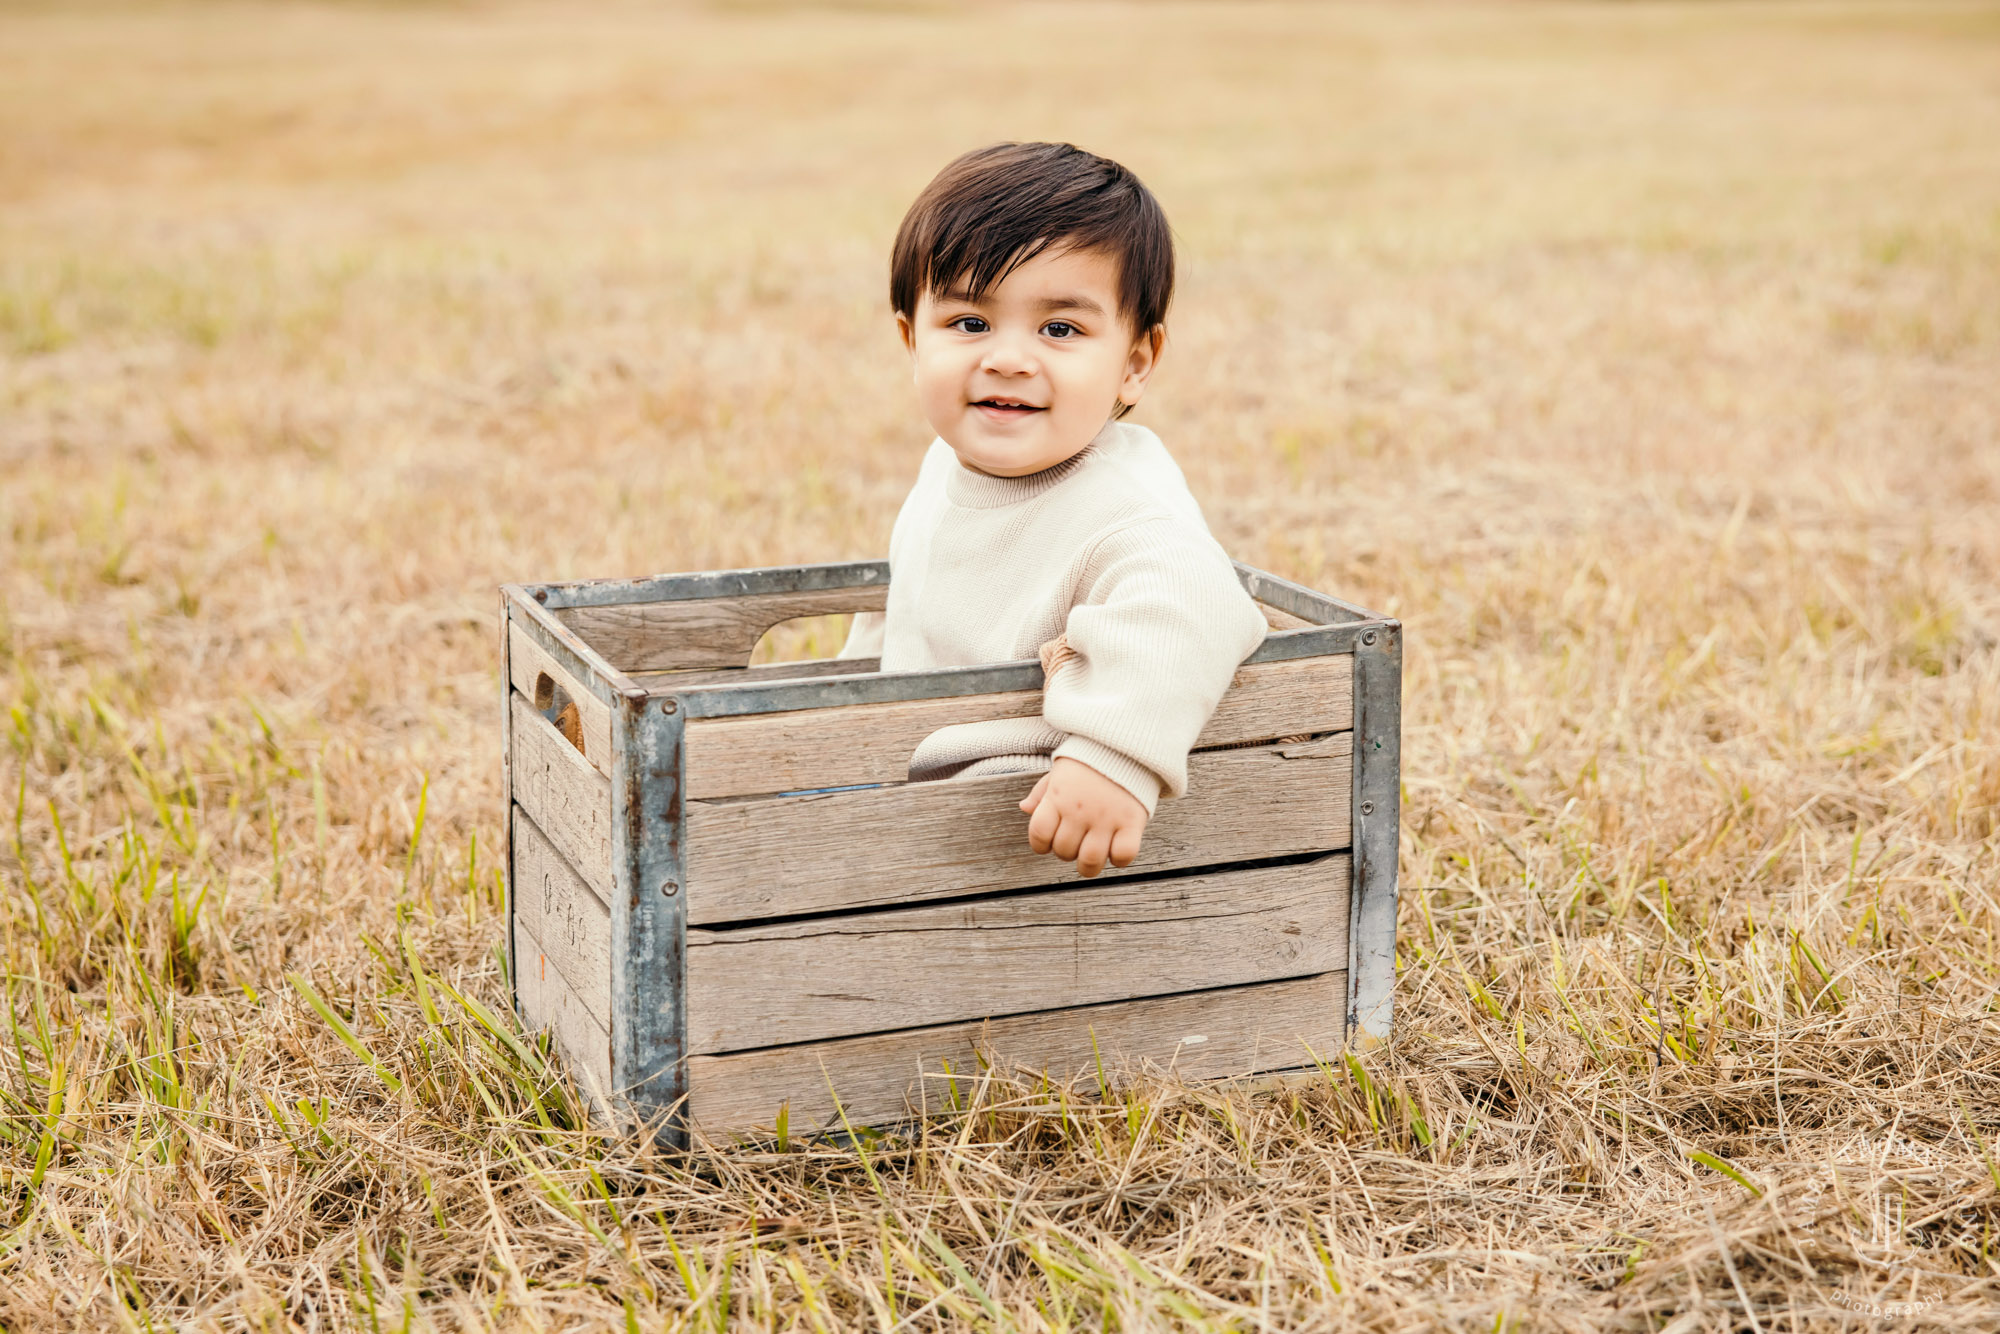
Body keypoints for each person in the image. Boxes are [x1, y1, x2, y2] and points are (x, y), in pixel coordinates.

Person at [840, 142, 1269, 879]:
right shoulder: (949, 462)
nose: (1009, 358)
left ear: (1134, 362)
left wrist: (1111, 756)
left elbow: (1196, 609)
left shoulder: (1125, 511)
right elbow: (907, 607)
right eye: (970, 323)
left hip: (1021, 823)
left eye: (1060, 330)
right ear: (912, 338)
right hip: (911, 787)